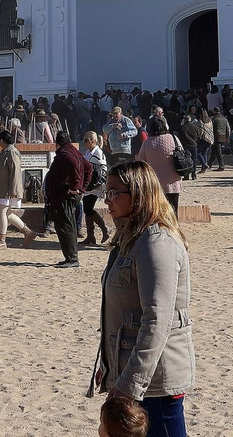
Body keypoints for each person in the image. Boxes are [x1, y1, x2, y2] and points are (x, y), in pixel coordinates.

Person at [95, 160, 194, 437]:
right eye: (107, 191)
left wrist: (130, 384)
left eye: (115, 192)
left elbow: (157, 320)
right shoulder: (131, 239)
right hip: (134, 374)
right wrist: (110, 367)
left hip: (155, 382)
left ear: (139, 193)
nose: (107, 199)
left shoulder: (156, 243)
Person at [44, 130, 90, 268]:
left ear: (57, 144)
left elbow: (77, 167)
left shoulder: (65, 154)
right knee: (66, 226)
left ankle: (72, 258)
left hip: (63, 196)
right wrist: (82, 188)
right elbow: (88, 168)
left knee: (65, 227)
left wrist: (76, 187)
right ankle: (69, 257)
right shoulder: (74, 152)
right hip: (65, 196)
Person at [0, 129, 36, 251]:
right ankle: (28, 232)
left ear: (2, 140)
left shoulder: (12, 152)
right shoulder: (5, 151)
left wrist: (13, 189)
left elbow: (15, 172)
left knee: (1, 212)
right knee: (7, 213)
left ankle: (1, 240)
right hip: (2, 188)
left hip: (6, 189)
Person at [136, 117, 182, 214]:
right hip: (173, 181)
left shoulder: (147, 143)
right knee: (173, 211)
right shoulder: (173, 138)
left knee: (158, 212)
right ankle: (174, 228)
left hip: (155, 184)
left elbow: (140, 162)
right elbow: (181, 153)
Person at [80, 131, 110, 247]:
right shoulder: (89, 152)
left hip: (95, 185)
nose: (85, 143)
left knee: (87, 209)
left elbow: (102, 169)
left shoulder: (98, 153)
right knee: (87, 208)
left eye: (86, 141)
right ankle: (90, 235)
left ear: (93, 141)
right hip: (89, 184)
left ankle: (104, 229)